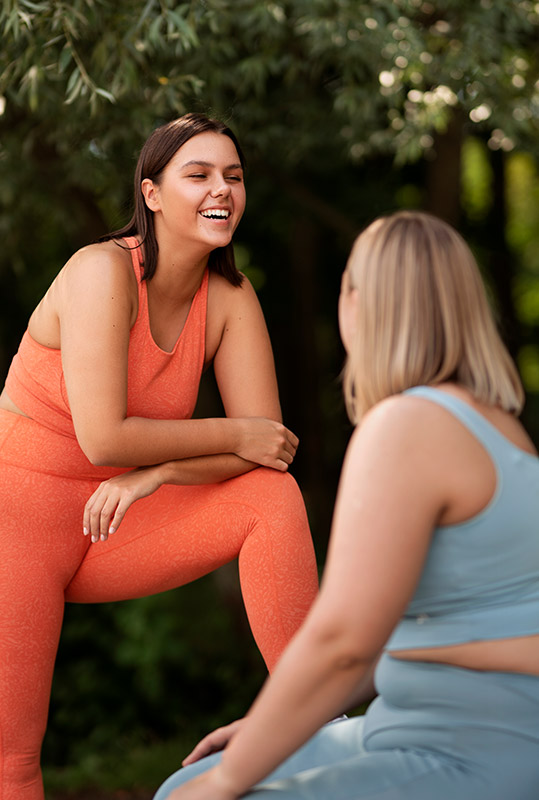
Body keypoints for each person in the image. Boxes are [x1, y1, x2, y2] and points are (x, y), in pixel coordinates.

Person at [153, 210, 539, 800]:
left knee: (201, 793)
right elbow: (403, 632)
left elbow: (344, 644)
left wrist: (234, 778)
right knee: (191, 778)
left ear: (360, 304)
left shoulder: (406, 427)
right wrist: (273, 728)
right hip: (409, 727)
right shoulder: (503, 430)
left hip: (466, 750)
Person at [0, 112, 319, 800]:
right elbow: (105, 438)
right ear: (150, 194)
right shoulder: (100, 271)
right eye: (198, 174)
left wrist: (164, 472)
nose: (221, 190)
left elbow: (263, 451)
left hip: (110, 517)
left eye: (233, 176)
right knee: (12, 762)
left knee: (270, 497)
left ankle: (316, 721)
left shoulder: (230, 296)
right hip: (17, 517)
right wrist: (230, 433)